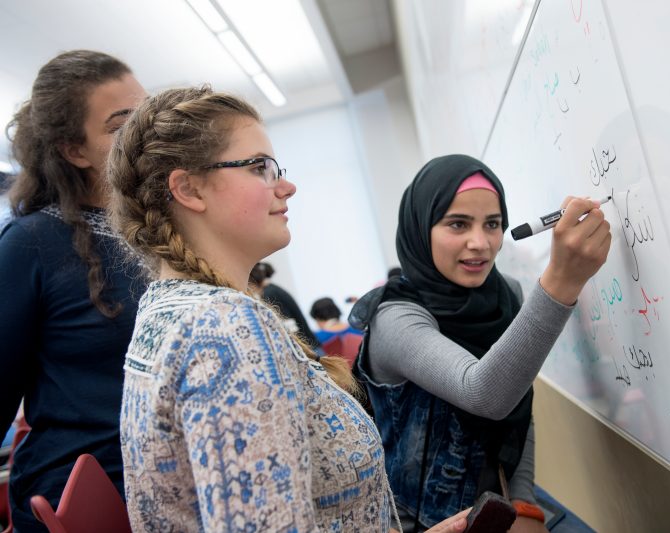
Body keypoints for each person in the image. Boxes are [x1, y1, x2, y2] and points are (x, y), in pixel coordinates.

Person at [108, 86, 470, 532]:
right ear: (188, 189)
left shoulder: (163, 308)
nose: (287, 185)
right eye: (259, 167)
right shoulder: (225, 327)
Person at [349, 155, 612, 532]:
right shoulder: (395, 318)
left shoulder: (507, 293)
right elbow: (485, 394)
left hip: (497, 510)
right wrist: (562, 280)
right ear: (421, 228)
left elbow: (519, 407)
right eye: (458, 224)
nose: (480, 243)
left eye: (492, 224)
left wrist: (524, 503)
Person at [0, 50, 147, 531]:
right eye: (123, 125)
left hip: (171, 485)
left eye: (148, 114)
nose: (147, 134)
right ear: (74, 151)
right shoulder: (31, 244)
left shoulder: (157, 229)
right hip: (87, 499)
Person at [254, 261, 320, 349]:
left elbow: (288, 325)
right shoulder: (273, 289)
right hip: (309, 344)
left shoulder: (269, 294)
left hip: (307, 348)